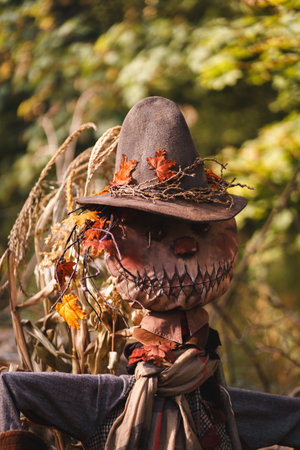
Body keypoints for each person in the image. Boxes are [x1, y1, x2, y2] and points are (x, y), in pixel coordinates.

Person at [1, 97, 299, 450]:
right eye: (156, 233)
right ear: (110, 245)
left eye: (200, 231)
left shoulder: (229, 410)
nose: (186, 247)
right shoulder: (107, 403)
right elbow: (8, 390)